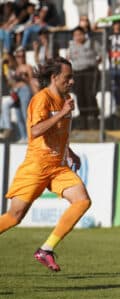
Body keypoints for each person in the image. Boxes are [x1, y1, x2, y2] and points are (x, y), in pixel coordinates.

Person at [0, 56, 92, 272]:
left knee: (82, 201)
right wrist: (61, 113)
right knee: (15, 217)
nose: (72, 82)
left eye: (72, 77)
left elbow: (59, 132)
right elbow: (35, 131)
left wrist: (70, 152)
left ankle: (46, 249)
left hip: (58, 167)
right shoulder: (42, 99)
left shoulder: (66, 99)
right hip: (36, 166)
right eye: (68, 77)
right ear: (54, 77)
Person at [67, 25, 101, 129]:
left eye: (79, 34)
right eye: (75, 35)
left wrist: (95, 63)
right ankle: (83, 116)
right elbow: (68, 58)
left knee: (89, 93)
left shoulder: (92, 43)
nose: (78, 37)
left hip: (90, 71)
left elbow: (102, 54)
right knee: (80, 94)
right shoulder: (72, 46)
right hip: (77, 72)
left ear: (84, 35)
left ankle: (93, 115)